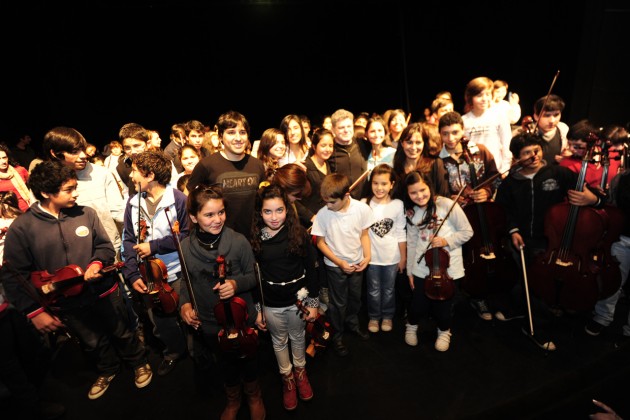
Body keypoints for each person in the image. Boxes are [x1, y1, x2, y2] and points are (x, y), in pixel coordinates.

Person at [0, 160, 152, 400]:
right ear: (45, 193)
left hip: (103, 290)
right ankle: (108, 369)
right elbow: (13, 276)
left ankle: (138, 361)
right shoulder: (22, 228)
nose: (76, 193)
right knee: (91, 341)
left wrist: (96, 262)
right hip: (64, 301)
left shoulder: (85, 213)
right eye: (69, 189)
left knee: (121, 330)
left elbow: (104, 246)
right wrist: (35, 311)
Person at [494, 132, 604, 350]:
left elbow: (594, 195)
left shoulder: (558, 173)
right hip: (522, 239)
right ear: (516, 158)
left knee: (537, 282)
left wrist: (593, 199)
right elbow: (503, 211)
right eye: (527, 153)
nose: (534, 156)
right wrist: (512, 230)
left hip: (552, 241)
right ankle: (531, 322)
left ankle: (530, 319)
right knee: (527, 279)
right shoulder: (510, 183)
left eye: (536, 150)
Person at [178, 185, 265, 420]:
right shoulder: (185, 247)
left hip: (240, 317)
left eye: (221, 212)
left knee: (248, 359)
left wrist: (236, 284)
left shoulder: (238, 242)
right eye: (209, 215)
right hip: (209, 320)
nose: (218, 219)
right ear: (194, 217)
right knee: (225, 362)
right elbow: (185, 281)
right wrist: (184, 304)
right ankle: (233, 399)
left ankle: (254, 395)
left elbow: (254, 276)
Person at [121, 150, 189, 377]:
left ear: (150, 175)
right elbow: (128, 240)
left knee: (187, 314)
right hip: (149, 275)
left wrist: (155, 246)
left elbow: (187, 235)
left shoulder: (178, 199)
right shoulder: (133, 203)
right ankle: (174, 353)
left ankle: (195, 353)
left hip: (177, 271)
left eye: (135, 171)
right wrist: (132, 273)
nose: (131, 176)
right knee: (160, 320)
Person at [251, 184, 318, 411]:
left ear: (287, 210)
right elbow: (255, 279)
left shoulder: (298, 233)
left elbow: (312, 270)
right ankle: (287, 379)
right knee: (278, 341)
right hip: (271, 303)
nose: (274, 217)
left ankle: (300, 372)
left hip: (297, 301)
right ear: (259, 212)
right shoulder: (255, 240)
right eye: (267, 211)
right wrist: (258, 308)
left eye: (279, 210)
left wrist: (313, 303)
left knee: (298, 336)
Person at [438, 111, 500, 320]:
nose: (451, 138)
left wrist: (487, 191)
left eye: (455, 132)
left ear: (462, 130)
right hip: (454, 216)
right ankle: (451, 298)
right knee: (457, 258)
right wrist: (452, 196)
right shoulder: (439, 160)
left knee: (481, 254)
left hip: (480, 212)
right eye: (445, 134)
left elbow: (494, 176)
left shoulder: (480, 151)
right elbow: (436, 189)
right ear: (440, 134)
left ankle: (479, 295)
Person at [402, 170, 473, 351]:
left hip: (448, 269)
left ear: (430, 187)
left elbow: (467, 232)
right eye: (413, 192)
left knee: (444, 306)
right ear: (408, 194)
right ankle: (411, 325)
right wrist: (410, 271)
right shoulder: (413, 213)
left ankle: (444, 330)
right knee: (417, 304)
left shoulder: (447, 205)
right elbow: (411, 243)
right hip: (421, 268)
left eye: (422, 190)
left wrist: (446, 241)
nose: (419, 196)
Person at [311, 173, 374, 356]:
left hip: (357, 263)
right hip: (334, 265)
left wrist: (367, 256)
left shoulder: (362, 209)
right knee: (338, 303)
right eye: (325, 202)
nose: (328, 206)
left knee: (355, 298)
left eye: (332, 202)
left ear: (346, 195)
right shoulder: (324, 214)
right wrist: (339, 262)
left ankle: (353, 325)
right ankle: (337, 335)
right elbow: (320, 242)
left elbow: (364, 234)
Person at [187, 111, 266, 238]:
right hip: (217, 240)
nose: (238, 138)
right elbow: (190, 198)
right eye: (231, 132)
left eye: (242, 132)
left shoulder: (257, 165)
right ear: (220, 136)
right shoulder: (206, 165)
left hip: (252, 239)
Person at [361, 164, 406, 333]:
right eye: (375, 183)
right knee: (372, 290)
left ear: (392, 184)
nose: (379, 188)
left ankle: (387, 316)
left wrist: (403, 257)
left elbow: (401, 232)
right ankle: (374, 317)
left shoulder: (398, 204)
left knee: (388, 289)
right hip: (370, 258)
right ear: (370, 183)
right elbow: (359, 232)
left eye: (384, 183)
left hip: (391, 257)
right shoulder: (364, 203)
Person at [462, 76, 513, 175]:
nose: (484, 99)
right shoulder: (464, 120)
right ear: (470, 97)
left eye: (488, 94)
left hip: (497, 170)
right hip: (473, 172)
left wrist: (505, 169)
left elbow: (507, 143)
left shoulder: (499, 116)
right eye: (479, 95)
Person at [327, 109, 370, 200]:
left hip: (364, 201)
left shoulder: (363, 144)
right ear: (333, 129)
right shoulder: (328, 149)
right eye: (341, 127)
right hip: (341, 203)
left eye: (349, 126)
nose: (346, 130)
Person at [527, 94, 570, 166]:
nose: (552, 120)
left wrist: (568, 157)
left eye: (556, 115)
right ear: (536, 117)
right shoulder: (526, 132)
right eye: (547, 115)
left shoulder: (563, 129)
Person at [0, 144, 31, 212]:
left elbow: (33, 186)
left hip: (28, 210)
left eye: (4, 157)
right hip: (8, 214)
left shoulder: (20, 170)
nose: (3, 161)